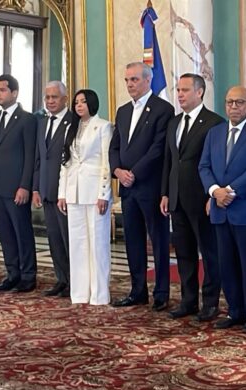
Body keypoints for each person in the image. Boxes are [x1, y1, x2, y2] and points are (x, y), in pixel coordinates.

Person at [198, 86, 246, 333]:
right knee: (226, 264)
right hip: (220, 209)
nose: (234, 107)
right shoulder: (215, 133)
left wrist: (228, 191)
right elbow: (204, 166)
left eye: (239, 102)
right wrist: (214, 191)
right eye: (230, 102)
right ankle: (235, 311)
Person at [109, 62, 174, 310]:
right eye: (127, 80)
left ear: (148, 80)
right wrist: (117, 171)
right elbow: (115, 146)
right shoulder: (123, 111)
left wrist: (134, 173)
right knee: (133, 240)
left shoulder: (163, 109)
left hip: (150, 186)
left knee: (158, 240)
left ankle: (161, 293)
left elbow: (158, 148)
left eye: (134, 79)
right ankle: (138, 291)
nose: (129, 84)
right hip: (127, 187)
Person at [160, 73, 224, 322]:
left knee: (209, 253)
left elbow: (217, 164)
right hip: (177, 198)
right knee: (184, 253)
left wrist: (212, 195)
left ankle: (210, 303)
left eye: (185, 90)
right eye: (178, 90)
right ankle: (188, 301)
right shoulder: (174, 123)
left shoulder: (214, 123)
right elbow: (169, 161)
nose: (180, 94)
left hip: (202, 199)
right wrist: (165, 192)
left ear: (199, 92)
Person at [0, 74, 37, 293]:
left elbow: (30, 155)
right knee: (4, 234)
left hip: (16, 188)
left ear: (14, 92)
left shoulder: (27, 119)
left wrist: (25, 185)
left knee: (22, 233)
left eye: (2, 90)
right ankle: (12, 274)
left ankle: (28, 276)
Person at [57, 89, 113, 305]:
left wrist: (104, 194)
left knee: (97, 243)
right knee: (77, 243)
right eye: (76, 102)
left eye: (83, 102)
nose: (79, 105)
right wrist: (62, 193)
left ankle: (99, 294)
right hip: (74, 191)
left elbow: (106, 162)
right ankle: (80, 293)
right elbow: (66, 163)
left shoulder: (104, 126)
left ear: (92, 103)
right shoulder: (71, 127)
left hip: (94, 191)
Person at [33, 81, 73, 298]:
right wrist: (36, 188)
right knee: (54, 239)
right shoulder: (42, 123)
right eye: (47, 97)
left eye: (54, 97)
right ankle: (61, 279)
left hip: (65, 193)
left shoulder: (73, 122)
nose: (50, 101)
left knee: (69, 239)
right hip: (47, 191)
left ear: (65, 98)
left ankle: (75, 281)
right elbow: (39, 159)